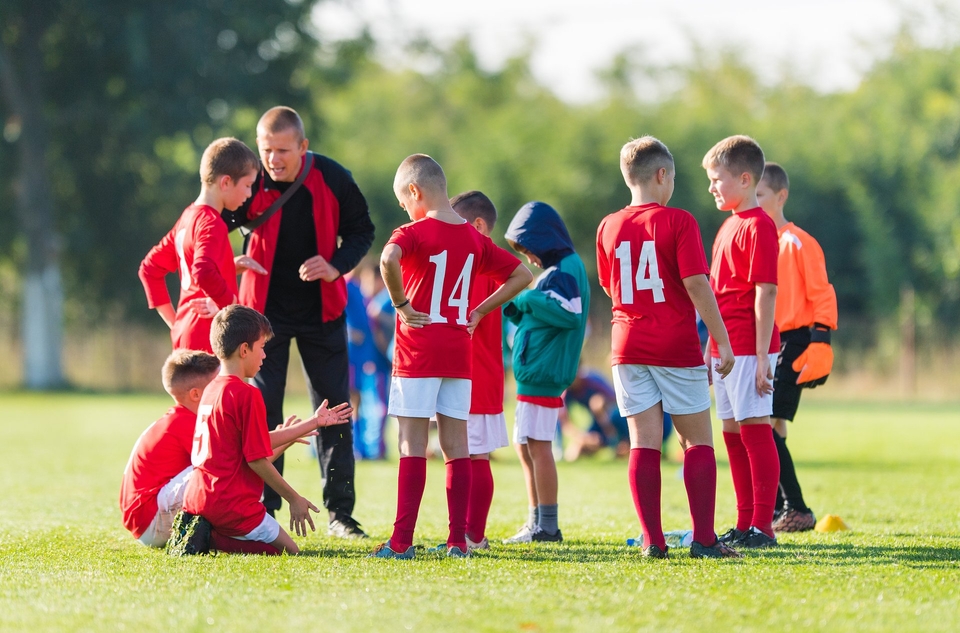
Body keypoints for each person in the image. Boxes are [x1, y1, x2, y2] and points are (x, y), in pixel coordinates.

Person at [219, 106, 375, 538]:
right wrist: (225, 262)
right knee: (262, 415)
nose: (272, 160)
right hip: (260, 321)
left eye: (282, 151)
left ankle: (341, 515)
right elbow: (215, 221)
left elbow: (363, 229)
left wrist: (335, 264)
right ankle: (263, 510)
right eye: (266, 150)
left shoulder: (333, 176)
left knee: (334, 410)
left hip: (322, 313)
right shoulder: (250, 180)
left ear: (303, 147)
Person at [371, 155, 531, 559]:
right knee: (457, 448)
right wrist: (479, 310)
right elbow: (523, 275)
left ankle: (401, 541)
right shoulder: (476, 238)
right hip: (459, 352)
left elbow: (387, 259)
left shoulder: (412, 231)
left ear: (414, 191)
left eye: (404, 201)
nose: (405, 210)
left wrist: (401, 304)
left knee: (412, 445)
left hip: (418, 351)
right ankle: (458, 541)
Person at [596, 136, 740, 559]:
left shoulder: (608, 225)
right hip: (673, 342)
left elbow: (609, 285)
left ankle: (652, 541)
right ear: (662, 175)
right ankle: (704, 540)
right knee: (696, 443)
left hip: (627, 342)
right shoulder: (679, 222)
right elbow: (697, 283)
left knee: (643, 442)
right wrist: (721, 339)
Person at [178, 305, 352, 555]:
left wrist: (309, 425)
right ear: (244, 349)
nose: (264, 356)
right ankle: (214, 538)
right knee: (290, 552)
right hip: (231, 506)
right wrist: (294, 498)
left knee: (282, 548)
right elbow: (257, 460)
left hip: (200, 499)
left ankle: (210, 532)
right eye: (261, 347)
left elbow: (246, 450)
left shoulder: (212, 389)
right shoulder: (246, 393)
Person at [702, 135, 782, 549]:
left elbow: (765, 292)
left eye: (718, 179)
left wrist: (766, 355)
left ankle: (764, 528)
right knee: (732, 433)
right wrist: (710, 345)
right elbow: (716, 292)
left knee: (755, 430)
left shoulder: (760, 226)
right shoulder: (728, 225)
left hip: (751, 346)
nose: (712, 187)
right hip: (725, 347)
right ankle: (744, 520)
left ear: (746, 179)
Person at [501, 201, 590, 545]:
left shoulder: (566, 267)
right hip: (534, 373)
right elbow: (547, 313)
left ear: (543, 239)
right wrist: (520, 308)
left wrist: (525, 299)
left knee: (538, 447)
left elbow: (568, 312)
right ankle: (535, 519)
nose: (529, 259)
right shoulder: (555, 271)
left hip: (545, 374)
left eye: (529, 250)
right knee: (525, 447)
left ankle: (548, 525)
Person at [756, 162, 838, 533]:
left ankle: (798, 508)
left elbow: (822, 292)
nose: (755, 203)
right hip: (767, 342)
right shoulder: (758, 241)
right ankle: (776, 509)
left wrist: (821, 340)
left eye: (760, 196)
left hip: (797, 339)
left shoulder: (798, 241)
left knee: (767, 425)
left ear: (780, 196)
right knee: (774, 426)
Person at [138, 138, 261, 353]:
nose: (249, 194)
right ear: (225, 182)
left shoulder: (189, 216)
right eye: (248, 185)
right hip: (209, 340)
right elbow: (202, 271)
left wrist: (176, 324)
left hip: (186, 336)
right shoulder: (212, 223)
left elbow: (149, 269)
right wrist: (231, 305)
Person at [450, 190, 509, 551]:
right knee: (474, 454)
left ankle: (473, 534)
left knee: (474, 454)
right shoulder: (485, 262)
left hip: (475, 371)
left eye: (456, 222)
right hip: (479, 371)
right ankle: (473, 532)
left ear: (478, 225)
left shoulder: (481, 261)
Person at [120, 350, 220, 547]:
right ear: (196, 394)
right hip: (150, 523)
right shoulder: (186, 422)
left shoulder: (179, 417)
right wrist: (287, 436)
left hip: (146, 521)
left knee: (219, 463)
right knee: (218, 466)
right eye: (216, 384)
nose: (222, 388)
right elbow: (238, 460)